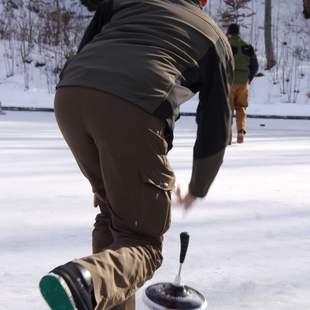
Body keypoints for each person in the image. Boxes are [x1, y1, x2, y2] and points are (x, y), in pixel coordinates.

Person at [39, 0, 233, 309]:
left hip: (70, 94)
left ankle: (98, 293)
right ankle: (85, 280)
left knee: (113, 215)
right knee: (144, 242)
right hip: (133, 105)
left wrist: (103, 172)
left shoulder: (124, 2)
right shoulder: (212, 36)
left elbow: (87, 48)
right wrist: (199, 186)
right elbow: (215, 124)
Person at [227, 23, 258, 144]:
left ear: (229, 32)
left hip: (229, 81)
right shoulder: (248, 46)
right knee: (241, 107)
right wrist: (248, 78)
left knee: (228, 109)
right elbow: (255, 66)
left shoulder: (226, 45)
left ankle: (227, 135)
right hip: (243, 81)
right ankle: (240, 132)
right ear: (239, 33)